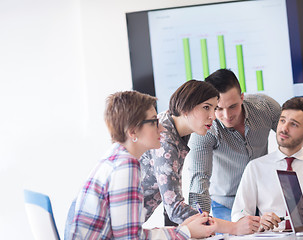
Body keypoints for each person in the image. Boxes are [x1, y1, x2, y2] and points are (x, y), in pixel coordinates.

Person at [69, 91, 216, 239]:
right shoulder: (126, 166)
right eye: (154, 122)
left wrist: (184, 230)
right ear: (133, 132)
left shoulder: (117, 155)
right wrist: (186, 232)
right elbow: (131, 239)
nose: (162, 128)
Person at [140, 80, 260, 235]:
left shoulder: (175, 127)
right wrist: (233, 228)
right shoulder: (165, 139)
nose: (213, 116)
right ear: (185, 108)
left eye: (214, 108)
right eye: (206, 107)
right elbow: (175, 208)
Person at [231, 97, 303, 231]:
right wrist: (259, 222)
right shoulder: (255, 167)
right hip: (272, 236)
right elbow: (238, 215)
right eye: (282, 120)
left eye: (294, 124)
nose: (284, 129)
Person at [188, 69, 281, 221]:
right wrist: (199, 220)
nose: (227, 115)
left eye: (233, 106)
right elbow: (199, 177)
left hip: (265, 199)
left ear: (242, 97)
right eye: (218, 108)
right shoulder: (205, 129)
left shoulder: (266, 108)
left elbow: (295, 140)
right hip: (227, 203)